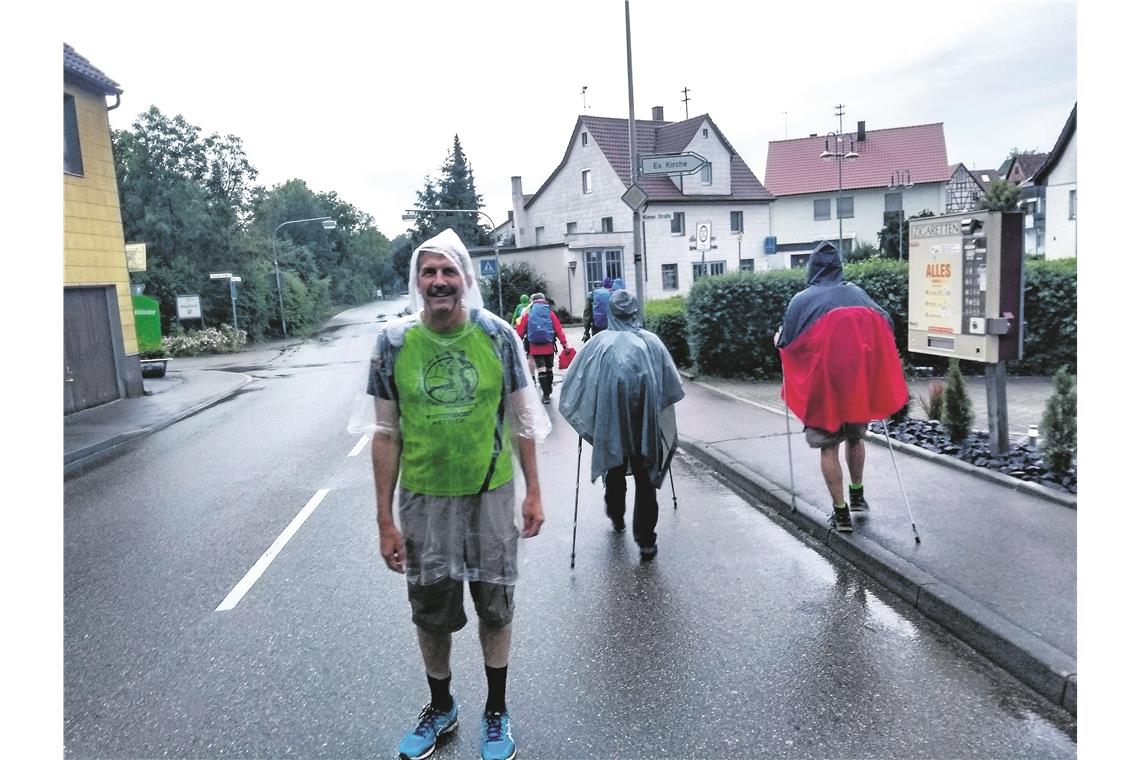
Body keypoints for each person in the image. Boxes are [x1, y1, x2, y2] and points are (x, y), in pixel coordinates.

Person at [363, 228, 550, 760]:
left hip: (489, 495)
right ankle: (442, 705)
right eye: (429, 272)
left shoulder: (496, 337)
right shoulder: (393, 344)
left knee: (495, 603)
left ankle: (496, 710)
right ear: (417, 282)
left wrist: (533, 492)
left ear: (466, 279)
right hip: (423, 499)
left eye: (449, 271)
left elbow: (523, 420)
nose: (440, 281)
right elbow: (385, 434)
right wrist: (384, 520)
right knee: (431, 609)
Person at [774, 240, 907, 534]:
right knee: (856, 439)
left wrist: (778, 340)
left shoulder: (801, 301)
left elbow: (786, 342)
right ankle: (857, 494)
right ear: (838, 267)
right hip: (855, 386)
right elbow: (885, 327)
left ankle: (841, 513)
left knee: (828, 447)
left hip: (822, 389)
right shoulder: (858, 294)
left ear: (811, 268)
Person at [559, 289, 685, 562]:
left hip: (610, 421)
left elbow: (577, 383)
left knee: (614, 467)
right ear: (635, 311)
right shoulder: (651, 342)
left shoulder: (598, 344)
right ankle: (647, 541)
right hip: (645, 422)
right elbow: (671, 385)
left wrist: (586, 412)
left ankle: (616, 516)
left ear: (612, 313)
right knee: (645, 475)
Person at [515, 292, 569, 404]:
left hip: (535, 347)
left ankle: (545, 395)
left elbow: (520, 331)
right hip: (549, 346)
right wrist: (564, 344)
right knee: (549, 369)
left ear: (533, 302)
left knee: (541, 369)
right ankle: (548, 390)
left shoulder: (529, 314)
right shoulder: (550, 313)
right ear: (544, 301)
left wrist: (516, 342)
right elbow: (558, 330)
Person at [583, 276, 614, 341]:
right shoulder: (610, 294)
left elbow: (587, 314)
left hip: (596, 325)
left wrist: (586, 331)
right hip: (609, 325)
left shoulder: (591, 295)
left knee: (597, 344)